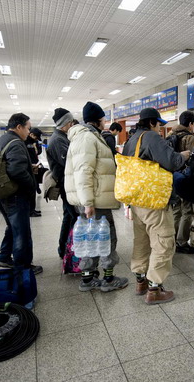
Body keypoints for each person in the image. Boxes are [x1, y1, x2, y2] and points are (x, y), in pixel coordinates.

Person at [123, 107, 189, 304]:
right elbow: (173, 161)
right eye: (159, 124)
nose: (160, 129)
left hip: (137, 201)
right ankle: (155, 289)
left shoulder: (131, 140)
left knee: (141, 242)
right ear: (152, 123)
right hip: (153, 200)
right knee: (163, 242)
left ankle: (141, 281)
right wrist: (184, 154)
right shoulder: (151, 137)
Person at [65, 101, 128, 292]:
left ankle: (88, 279)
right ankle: (108, 281)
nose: (105, 122)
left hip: (92, 198)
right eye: (104, 118)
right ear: (99, 119)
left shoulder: (88, 136)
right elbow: (84, 171)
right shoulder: (87, 138)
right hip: (94, 200)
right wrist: (88, 202)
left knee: (90, 239)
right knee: (105, 238)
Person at [0, 113, 43, 275]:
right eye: (28, 128)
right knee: (22, 231)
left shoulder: (1, 140)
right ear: (19, 127)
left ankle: (4, 256)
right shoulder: (16, 143)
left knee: (12, 226)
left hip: (2, 191)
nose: (29, 132)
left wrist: (29, 167)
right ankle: (22, 266)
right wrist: (31, 185)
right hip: (15, 193)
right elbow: (16, 170)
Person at [46, 107, 78, 258]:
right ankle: (66, 249)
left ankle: (64, 248)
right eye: (70, 122)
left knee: (69, 216)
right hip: (66, 183)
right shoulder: (58, 139)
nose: (72, 125)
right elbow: (68, 162)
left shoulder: (61, 137)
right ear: (64, 123)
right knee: (73, 217)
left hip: (66, 182)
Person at [167, 111, 194, 254]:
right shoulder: (190, 138)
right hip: (185, 178)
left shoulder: (170, 135)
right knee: (188, 210)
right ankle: (182, 241)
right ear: (191, 124)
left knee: (176, 209)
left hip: (172, 177)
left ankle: (172, 239)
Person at [26, 128, 43, 217]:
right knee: (31, 191)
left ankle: (32, 209)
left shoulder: (32, 142)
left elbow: (35, 154)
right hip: (29, 169)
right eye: (36, 137)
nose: (37, 139)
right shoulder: (24, 142)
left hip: (34, 167)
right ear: (31, 134)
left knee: (33, 190)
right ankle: (30, 211)